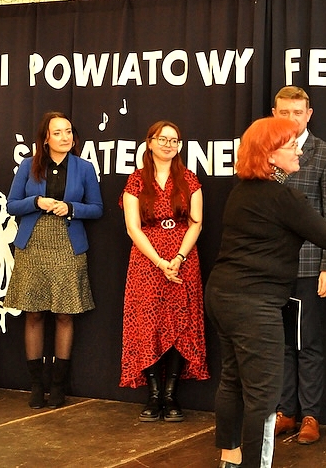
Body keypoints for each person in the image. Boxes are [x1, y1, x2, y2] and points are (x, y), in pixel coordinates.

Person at [204, 117, 326, 468]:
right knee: (263, 396)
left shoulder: (242, 191)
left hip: (221, 296)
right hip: (253, 305)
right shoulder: (282, 197)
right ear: (269, 155)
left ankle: (230, 460)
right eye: (291, 145)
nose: (299, 151)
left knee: (232, 381)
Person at [5, 111, 103, 409]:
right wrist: (36, 202)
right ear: (45, 138)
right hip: (33, 244)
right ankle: (37, 385)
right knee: (33, 314)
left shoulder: (84, 168)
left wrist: (71, 208)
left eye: (68, 131)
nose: (65, 137)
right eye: (58, 132)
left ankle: (58, 386)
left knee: (64, 314)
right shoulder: (28, 165)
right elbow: (11, 205)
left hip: (68, 244)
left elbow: (97, 208)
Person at [271, 86, 326, 445]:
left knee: (308, 344)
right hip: (272, 269)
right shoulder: (265, 152)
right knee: (280, 344)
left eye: (297, 112)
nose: (291, 119)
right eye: (284, 112)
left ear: (309, 114)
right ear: (274, 114)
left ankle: (311, 416)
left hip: (308, 267)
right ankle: (285, 411)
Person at [120, 120, 209, 423]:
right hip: (147, 262)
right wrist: (160, 262)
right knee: (148, 324)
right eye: (163, 139)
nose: (169, 145)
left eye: (174, 140)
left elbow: (196, 222)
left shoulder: (189, 179)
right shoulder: (136, 180)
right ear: (150, 142)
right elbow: (133, 228)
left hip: (183, 260)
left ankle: (170, 395)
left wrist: (179, 257)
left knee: (179, 324)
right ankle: (154, 394)